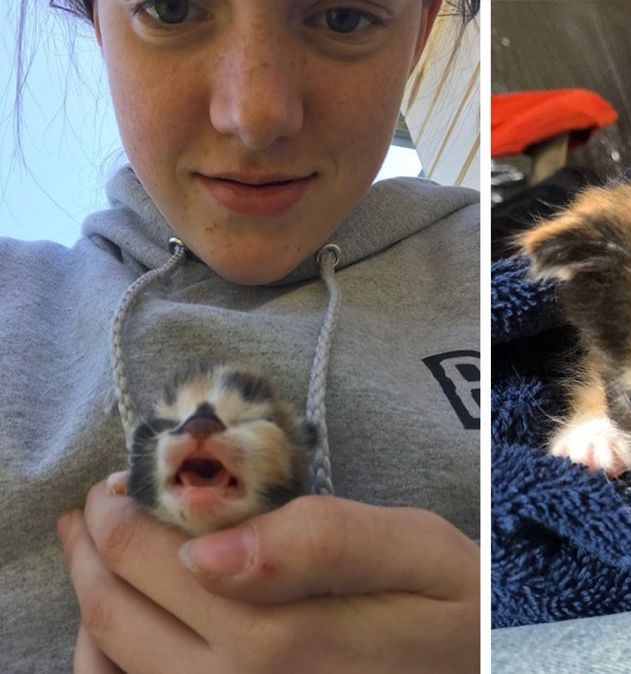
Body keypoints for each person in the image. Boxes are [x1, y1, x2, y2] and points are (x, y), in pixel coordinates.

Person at [1, 0, 480, 672]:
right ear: (97, 21)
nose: (255, 117)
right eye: (171, 8)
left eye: (342, 16)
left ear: (422, 30)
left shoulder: (518, 266)